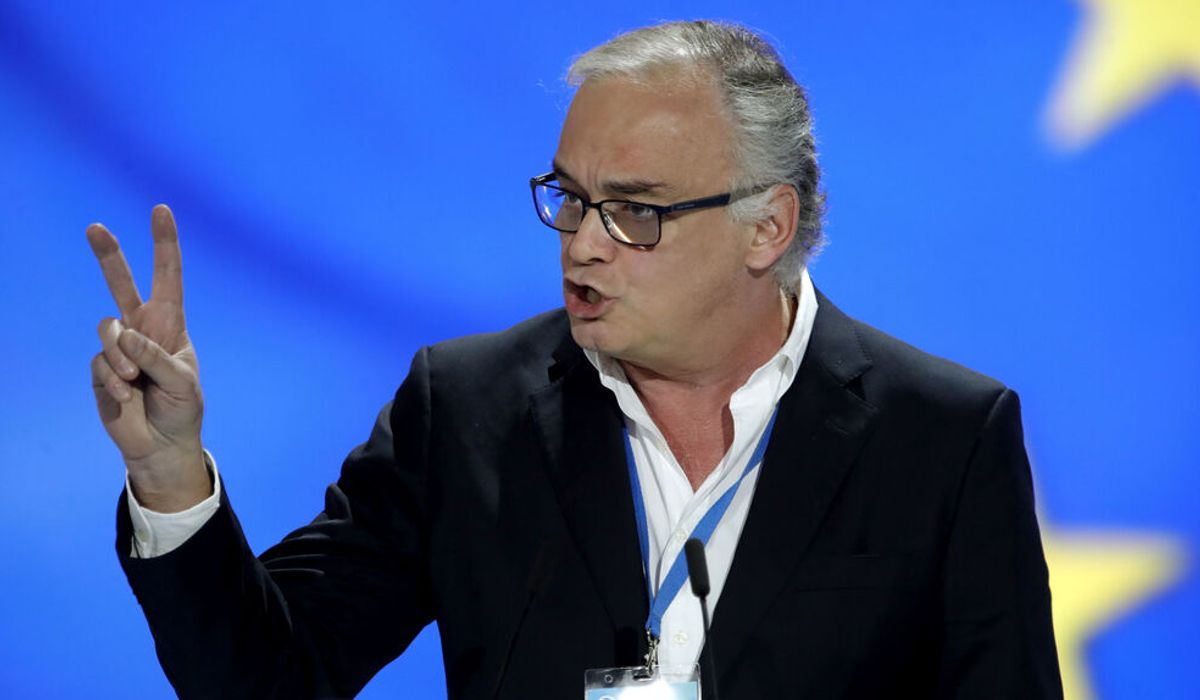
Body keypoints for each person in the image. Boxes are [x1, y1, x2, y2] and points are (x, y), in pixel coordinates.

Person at [89, 20, 1062, 699]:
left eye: (635, 210)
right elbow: (267, 680)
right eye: (569, 198)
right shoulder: (463, 411)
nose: (583, 244)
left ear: (768, 225)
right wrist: (169, 474)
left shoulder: (942, 438)